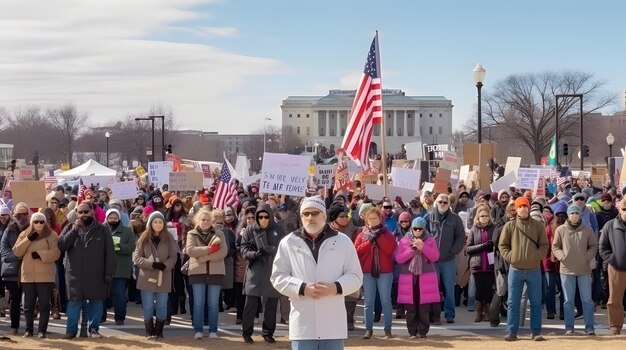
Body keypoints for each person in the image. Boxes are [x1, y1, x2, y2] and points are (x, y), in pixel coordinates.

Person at [271, 196, 363, 350]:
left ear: (324, 215)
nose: (310, 217)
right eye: (305, 214)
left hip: (333, 326)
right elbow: (277, 277)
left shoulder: (343, 241)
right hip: (303, 325)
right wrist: (302, 288)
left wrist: (336, 287)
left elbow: (355, 276)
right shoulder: (288, 242)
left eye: (315, 213)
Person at [58, 202, 116, 339]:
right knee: (74, 303)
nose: (83, 215)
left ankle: (94, 329)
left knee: (96, 302)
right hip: (74, 274)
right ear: (76, 214)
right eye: (80, 212)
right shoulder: (69, 228)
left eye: (86, 212)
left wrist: (109, 272)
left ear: (92, 212)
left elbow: (110, 253)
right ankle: (71, 331)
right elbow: (61, 246)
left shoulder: (102, 230)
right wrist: (74, 231)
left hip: (96, 274)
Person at [498, 197, 549, 342]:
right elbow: (502, 246)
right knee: (513, 302)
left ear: (528, 207)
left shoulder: (538, 226)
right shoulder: (510, 226)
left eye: (525, 206)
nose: (523, 209)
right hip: (516, 269)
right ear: (516, 209)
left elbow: (544, 246)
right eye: (520, 207)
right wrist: (512, 257)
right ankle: (512, 331)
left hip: (533, 269)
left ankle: (536, 332)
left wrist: (535, 257)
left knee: (536, 302)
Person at [239, 203, 286, 344]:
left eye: (266, 216)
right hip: (255, 270)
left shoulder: (278, 229)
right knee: (250, 305)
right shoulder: (250, 229)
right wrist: (255, 254)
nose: (263, 219)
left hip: (272, 271)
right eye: (260, 217)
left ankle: (268, 332)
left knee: (271, 305)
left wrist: (274, 250)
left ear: (270, 216)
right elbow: (243, 248)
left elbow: (285, 247)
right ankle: (246, 333)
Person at [12, 212, 61, 338]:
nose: (39, 224)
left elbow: (56, 253)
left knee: (44, 305)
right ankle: (28, 330)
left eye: (41, 221)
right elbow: (17, 251)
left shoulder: (51, 235)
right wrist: (29, 239)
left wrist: (41, 254)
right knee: (28, 306)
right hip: (27, 275)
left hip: (45, 276)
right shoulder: (24, 234)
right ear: (32, 222)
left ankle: (42, 331)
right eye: (36, 221)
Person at [552, 205, 597, 336]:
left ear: (579, 215)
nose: (574, 216)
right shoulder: (561, 230)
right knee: (568, 300)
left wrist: (586, 257)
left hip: (584, 270)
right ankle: (569, 327)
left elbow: (593, 246)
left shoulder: (587, 230)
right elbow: (555, 247)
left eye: (577, 213)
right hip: (566, 270)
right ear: (568, 215)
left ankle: (589, 327)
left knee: (587, 300)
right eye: (572, 213)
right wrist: (562, 257)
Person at [133, 211, 178, 339]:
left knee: (162, 304)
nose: (158, 225)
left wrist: (165, 265)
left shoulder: (169, 238)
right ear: (150, 223)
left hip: (164, 276)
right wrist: (152, 264)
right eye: (155, 222)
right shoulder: (143, 238)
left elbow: (174, 257)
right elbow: (137, 258)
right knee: (147, 305)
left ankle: (159, 331)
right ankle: (149, 331)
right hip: (146, 276)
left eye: (160, 222)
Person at [354, 207, 396, 339]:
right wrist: (369, 241)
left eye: (375, 218)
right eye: (370, 218)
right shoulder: (361, 234)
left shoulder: (387, 234)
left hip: (385, 271)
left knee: (385, 301)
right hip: (367, 271)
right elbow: (356, 251)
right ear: (366, 219)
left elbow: (390, 250)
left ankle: (387, 330)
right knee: (368, 302)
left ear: (380, 219)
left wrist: (377, 238)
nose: (372, 220)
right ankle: (368, 330)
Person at [395, 217, 440, 339]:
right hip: (409, 279)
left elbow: (435, 257)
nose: (418, 231)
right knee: (410, 308)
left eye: (420, 228)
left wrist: (423, 247)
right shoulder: (404, 241)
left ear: (424, 228)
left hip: (425, 278)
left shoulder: (430, 240)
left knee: (424, 307)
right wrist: (412, 250)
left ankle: (423, 332)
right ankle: (412, 332)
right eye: (415, 228)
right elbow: (399, 259)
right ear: (412, 228)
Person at [186, 209, 227, 340]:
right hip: (197, 273)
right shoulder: (191, 234)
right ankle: (198, 330)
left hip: (215, 272)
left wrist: (203, 257)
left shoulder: (219, 234)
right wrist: (210, 249)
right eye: (203, 219)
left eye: (208, 220)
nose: (205, 222)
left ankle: (213, 330)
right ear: (197, 220)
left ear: (212, 221)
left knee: (213, 303)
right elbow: (191, 250)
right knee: (198, 303)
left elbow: (223, 252)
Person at [425, 194, 465, 324]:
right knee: (433, 288)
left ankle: (450, 314)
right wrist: (427, 252)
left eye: (445, 201)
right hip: (432, 261)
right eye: (440, 201)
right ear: (436, 203)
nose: (442, 204)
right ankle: (434, 315)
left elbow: (460, 237)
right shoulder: (428, 217)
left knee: (449, 288)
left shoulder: (455, 219)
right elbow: (422, 235)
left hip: (448, 260)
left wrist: (452, 251)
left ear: (448, 203)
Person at [598, 197, 626, 335]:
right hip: (616, 268)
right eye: (624, 209)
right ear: (619, 210)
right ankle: (615, 326)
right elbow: (602, 247)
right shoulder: (609, 226)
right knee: (614, 298)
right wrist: (613, 259)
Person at [1, 203, 30, 334]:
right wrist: (18, 256)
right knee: (15, 300)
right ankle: (14, 327)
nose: (21, 217)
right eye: (19, 214)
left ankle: (30, 329)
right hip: (13, 271)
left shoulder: (34, 228)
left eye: (24, 214)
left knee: (30, 301)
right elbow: (4, 251)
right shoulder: (9, 230)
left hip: (31, 269)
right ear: (14, 215)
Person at [465, 204, 496, 322]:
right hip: (477, 265)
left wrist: (492, 246)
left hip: (490, 264)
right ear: (478, 217)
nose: (484, 218)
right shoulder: (474, 229)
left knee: (488, 289)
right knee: (479, 290)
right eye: (482, 216)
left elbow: (498, 244)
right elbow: (467, 249)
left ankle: (487, 312)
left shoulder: (494, 228)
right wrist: (482, 247)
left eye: (486, 216)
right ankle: (479, 312)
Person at [105, 208, 136, 325]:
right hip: (104, 268)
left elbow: (132, 247)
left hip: (121, 269)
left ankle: (119, 318)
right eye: (110, 218)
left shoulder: (127, 231)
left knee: (120, 295)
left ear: (119, 219)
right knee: (103, 295)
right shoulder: (101, 230)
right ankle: (102, 317)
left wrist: (119, 246)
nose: (113, 220)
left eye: (115, 218)